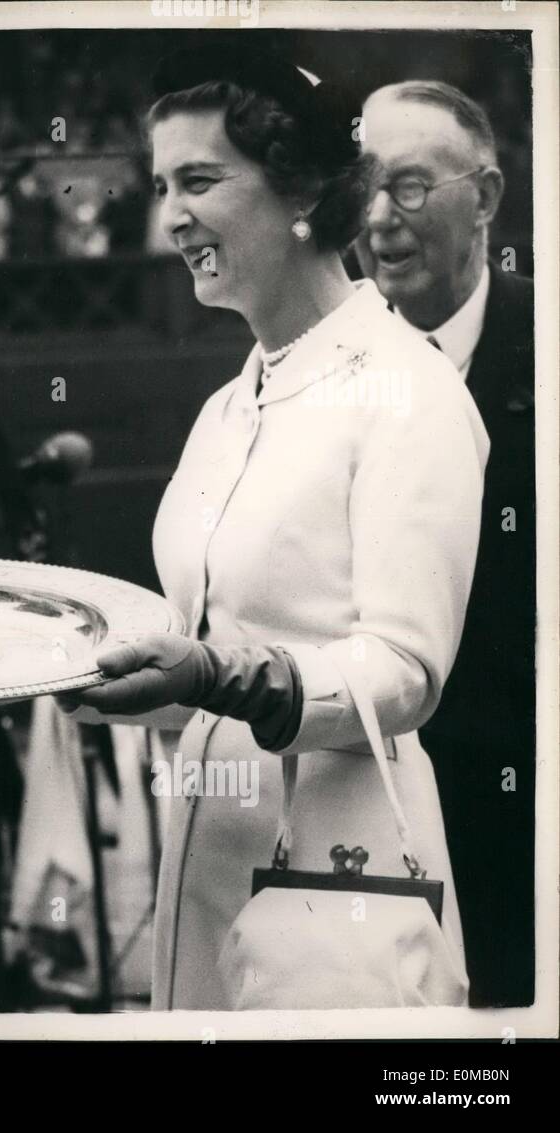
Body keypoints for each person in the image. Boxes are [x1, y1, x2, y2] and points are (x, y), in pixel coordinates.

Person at [48, 47, 487, 1010]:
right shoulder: (227, 404)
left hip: (344, 879)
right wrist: (39, 643)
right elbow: (189, 652)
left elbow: (406, 671)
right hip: (208, 857)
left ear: (301, 193)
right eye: (162, 185)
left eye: (199, 180)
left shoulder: (406, 389)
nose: (171, 215)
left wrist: (222, 674)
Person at [358, 81, 535, 1008]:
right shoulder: (329, 366)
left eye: (413, 188)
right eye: (365, 188)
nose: (381, 219)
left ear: (489, 197)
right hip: (366, 840)